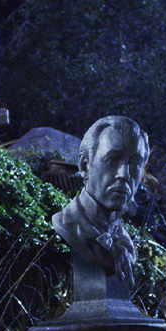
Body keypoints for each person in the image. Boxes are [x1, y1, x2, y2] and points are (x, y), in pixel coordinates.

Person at [52, 115, 150, 288]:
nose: (124, 174)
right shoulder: (67, 225)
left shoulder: (124, 242)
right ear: (84, 165)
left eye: (135, 164)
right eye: (112, 160)